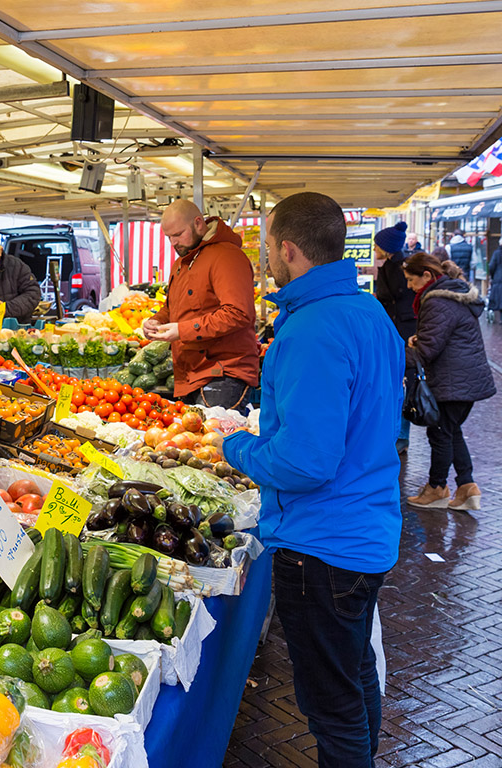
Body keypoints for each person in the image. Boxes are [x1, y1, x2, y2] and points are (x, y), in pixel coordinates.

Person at [219, 192, 404, 767]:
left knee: (331, 705)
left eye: (269, 246)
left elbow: (304, 463)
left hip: (322, 547)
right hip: (364, 531)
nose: (267, 258)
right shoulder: (368, 312)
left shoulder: (311, 331)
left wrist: (238, 448)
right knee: (352, 677)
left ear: (289, 250)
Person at [141, 199, 258, 411]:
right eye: (169, 237)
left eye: (178, 234)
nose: (173, 243)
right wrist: (155, 321)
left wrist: (182, 330)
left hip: (224, 373)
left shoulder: (227, 256)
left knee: (213, 441)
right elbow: (172, 307)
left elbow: (238, 313)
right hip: (189, 374)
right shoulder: (181, 263)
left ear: (198, 223)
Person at [402, 252, 495, 511]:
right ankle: (467, 487)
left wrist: (396, 351)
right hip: (464, 378)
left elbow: (427, 351)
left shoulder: (437, 301)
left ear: (427, 276)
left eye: (411, 280)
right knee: (451, 432)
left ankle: (437, 489)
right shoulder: (449, 296)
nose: (409, 286)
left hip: (453, 381)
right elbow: (445, 337)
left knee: (440, 433)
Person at [373, 221, 417, 455]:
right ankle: (396, 434)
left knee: (402, 382)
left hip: (402, 330)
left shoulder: (398, 268)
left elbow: (391, 298)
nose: (374, 249)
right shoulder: (393, 265)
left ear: (387, 247)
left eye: (377, 245)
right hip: (398, 328)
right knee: (397, 381)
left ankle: (401, 435)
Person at [488, 242, 502, 324]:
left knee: (498, 297)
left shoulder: (496, 253)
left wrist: (493, 276)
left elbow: (491, 266)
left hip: (498, 277)